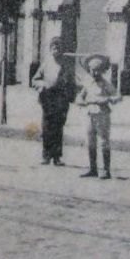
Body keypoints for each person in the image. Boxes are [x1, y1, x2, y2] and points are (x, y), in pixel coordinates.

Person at [36, 37, 76, 166]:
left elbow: (71, 83)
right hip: (48, 100)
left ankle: (57, 157)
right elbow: (35, 79)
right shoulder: (46, 64)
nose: (56, 50)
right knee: (47, 127)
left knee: (58, 128)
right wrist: (42, 84)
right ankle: (46, 155)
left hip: (61, 101)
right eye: (54, 48)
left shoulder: (66, 65)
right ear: (50, 50)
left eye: (58, 48)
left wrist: (70, 97)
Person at [78, 54, 118, 179]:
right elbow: (80, 96)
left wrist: (106, 99)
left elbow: (117, 96)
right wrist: (81, 101)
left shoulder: (106, 83)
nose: (95, 73)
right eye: (92, 70)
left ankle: (106, 170)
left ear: (102, 71)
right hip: (89, 114)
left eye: (97, 70)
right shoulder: (88, 82)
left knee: (103, 142)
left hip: (102, 114)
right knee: (90, 142)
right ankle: (92, 168)